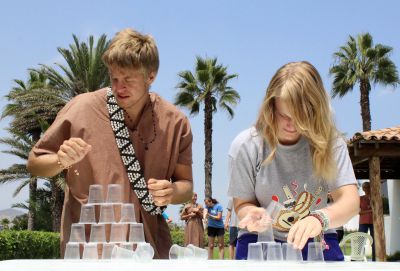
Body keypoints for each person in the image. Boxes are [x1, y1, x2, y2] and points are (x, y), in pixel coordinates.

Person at [26, 28, 193, 259]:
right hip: (88, 250)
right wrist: (59, 160)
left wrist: (171, 192)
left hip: (149, 251)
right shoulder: (81, 108)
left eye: (127, 79)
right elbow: (35, 163)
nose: (118, 87)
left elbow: (186, 185)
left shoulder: (176, 122)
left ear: (150, 76)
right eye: (114, 78)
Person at [227, 61, 359, 261]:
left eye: (302, 116)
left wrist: (320, 217)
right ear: (270, 106)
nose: (292, 124)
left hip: (317, 237)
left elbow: (350, 201)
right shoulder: (246, 144)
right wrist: (252, 212)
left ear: (316, 110)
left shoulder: (331, 142)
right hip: (259, 240)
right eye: (284, 115)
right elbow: (243, 203)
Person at [359, 181, 375, 261]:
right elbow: (359, 212)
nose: (366, 189)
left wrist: (371, 210)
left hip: (373, 222)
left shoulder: (374, 197)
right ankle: (359, 258)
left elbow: (377, 209)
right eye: (364, 187)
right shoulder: (360, 198)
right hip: (363, 222)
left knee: (374, 242)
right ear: (363, 189)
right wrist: (370, 211)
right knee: (361, 241)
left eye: (368, 187)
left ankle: (375, 259)